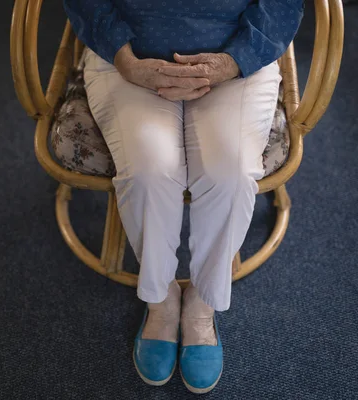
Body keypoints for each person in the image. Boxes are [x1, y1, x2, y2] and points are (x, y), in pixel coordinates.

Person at [64, 0, 304, 393]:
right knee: (148, 171)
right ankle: (159, 302)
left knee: (231, 172)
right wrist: (125, 59)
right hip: (128, 57)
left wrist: (234, 60)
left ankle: (202, 307)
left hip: (235, 56)